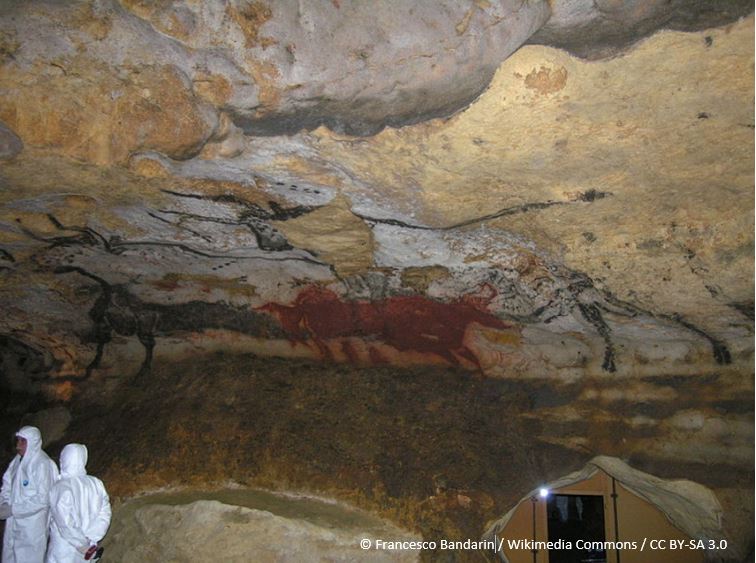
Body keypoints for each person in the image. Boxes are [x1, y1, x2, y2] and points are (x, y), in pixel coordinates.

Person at [0, 426, 59, 563]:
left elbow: (43, 500)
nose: (18, 445)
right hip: (13, 524)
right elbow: (7, 484)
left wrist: (14, 509)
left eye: (23, 441)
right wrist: (4, 503)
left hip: (32, 528)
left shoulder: (43, 464)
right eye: (18, 440)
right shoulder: (16, 462)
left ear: (33, 442)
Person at [46, 444, 111, 563]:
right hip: (89, 549)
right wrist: (92, 538)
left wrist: (82, 544)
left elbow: (64, 522)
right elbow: (105, 514)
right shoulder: (96, 483)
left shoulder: (60, 487)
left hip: (64, 549)